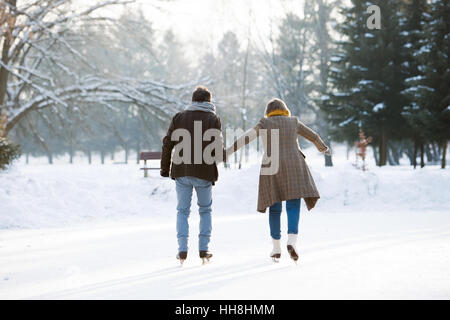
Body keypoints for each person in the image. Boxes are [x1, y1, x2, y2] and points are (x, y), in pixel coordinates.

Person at [226, 98, 330, 262]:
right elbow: (313, 135)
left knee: (274, 207)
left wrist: (227, 152)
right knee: (293, 204)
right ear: (285, 110)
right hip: (294, 164)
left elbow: (245, 138)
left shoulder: (264, 123)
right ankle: (292, 240)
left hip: (271, 166)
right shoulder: (293, 122)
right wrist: (322, 148)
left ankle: (276, 248)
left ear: (268, 112)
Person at [160, 86, 224, 265]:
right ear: (209, 102)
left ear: (193, 101)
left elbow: (167, 144)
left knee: (182, 211)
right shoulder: (213, 119)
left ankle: (182, 250)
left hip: (182, 171)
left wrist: (165, 169)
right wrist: (215, 161)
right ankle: (204, 249)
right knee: (205, 210)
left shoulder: (179, 117)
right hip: (204, 172)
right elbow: (218, 150)